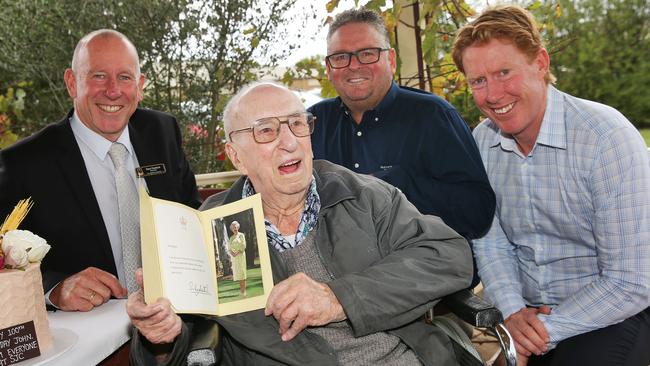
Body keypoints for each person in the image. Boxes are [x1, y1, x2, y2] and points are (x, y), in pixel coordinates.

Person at [127, 82, 473, 365]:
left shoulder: (363, 195)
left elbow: (448, 255)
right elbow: (186, 337)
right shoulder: (208, 230)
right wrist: (162, 336)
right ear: (236, 156)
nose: (289, 142)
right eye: (266, 131)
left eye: (296, 123)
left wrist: (338, 298)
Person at [452, 5, 650, 366]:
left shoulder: (606, 139)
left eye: (504, 72)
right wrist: (512, 313)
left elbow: (631, 280)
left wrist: (541, 331)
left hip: (611, 313)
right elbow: (491, 242)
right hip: (526, 315)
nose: (493, 94)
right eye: (478, 81)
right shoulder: (481, 142)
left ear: (541, 63)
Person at [0, 29, 201, 312]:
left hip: (175, 315)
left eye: (125, 77)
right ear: (71, 83)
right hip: (89, 338)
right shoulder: (23, 163)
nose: (113, 90)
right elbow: (4, 259)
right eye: (98, 76)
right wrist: (55, 288)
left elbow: (191, 212)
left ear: (140, 85)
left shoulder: (162, 132)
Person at [309, 8, 495, 244]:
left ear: (392, 60)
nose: (353, 65)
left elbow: (478, 213)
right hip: (336, 273)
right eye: (340, 57)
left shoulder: (434, 116)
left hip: (422, 269)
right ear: (328, 69)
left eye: (367, 53)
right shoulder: (311, 124)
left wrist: (396, 184)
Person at [228, 220, 247, 297]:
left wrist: (237, 252)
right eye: (233, 227)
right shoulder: (231, 237)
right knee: (238, 275)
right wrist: (232, 253)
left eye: (236, 227)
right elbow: (229, 247)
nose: (235, 228)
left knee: (242, 274)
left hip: (241, 256)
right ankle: (241, 291)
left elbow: (243, 245)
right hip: (234, 258)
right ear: (231, 229)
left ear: (238, 227)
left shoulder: (241, 235)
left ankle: (244, 291)